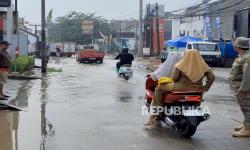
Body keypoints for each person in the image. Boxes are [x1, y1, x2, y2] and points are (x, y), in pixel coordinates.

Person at [144, 49, 215, 126]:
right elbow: (212, 77)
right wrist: (205, 88)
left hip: (180, 88)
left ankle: (157, 113)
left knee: (159, 88)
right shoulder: (203, 65)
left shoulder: (181, 64)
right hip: (197, 89)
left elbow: (174, 78)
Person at [230, 37, 250, 137]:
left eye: (235, 44)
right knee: (245, 107)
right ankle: (246, 124)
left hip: (244, 89)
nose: (234, 46)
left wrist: (244, 89)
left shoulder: (247, 57)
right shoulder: (243, 55)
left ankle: (248, 129)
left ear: (238, 46)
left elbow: (247, 76)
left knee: (246, 107)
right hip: (240, 87)